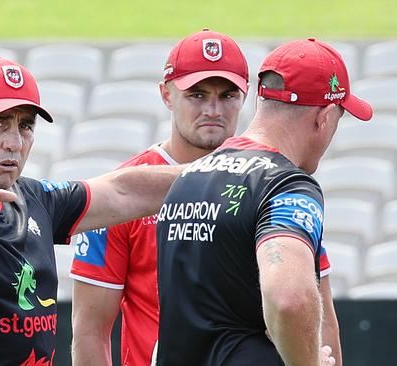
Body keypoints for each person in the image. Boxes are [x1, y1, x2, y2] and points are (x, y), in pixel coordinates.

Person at [0, 56, 184, 365]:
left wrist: (215, 171)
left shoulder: (34, 197)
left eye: (25, 126)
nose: (14, 142)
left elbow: (122, 191)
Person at [70, 30, 341, 366]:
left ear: (248, 98)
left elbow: (317, 305)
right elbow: (90, 331)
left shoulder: (272, 184)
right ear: (166, 95)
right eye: (197, 94)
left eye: (228, 95)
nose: (213, 110)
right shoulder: (124, 195)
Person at [154, 38, 372, 365]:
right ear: (324, 117)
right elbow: (289, 299)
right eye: (338, 119)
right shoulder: (285, 185)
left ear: (258, 102)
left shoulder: (189, 178)